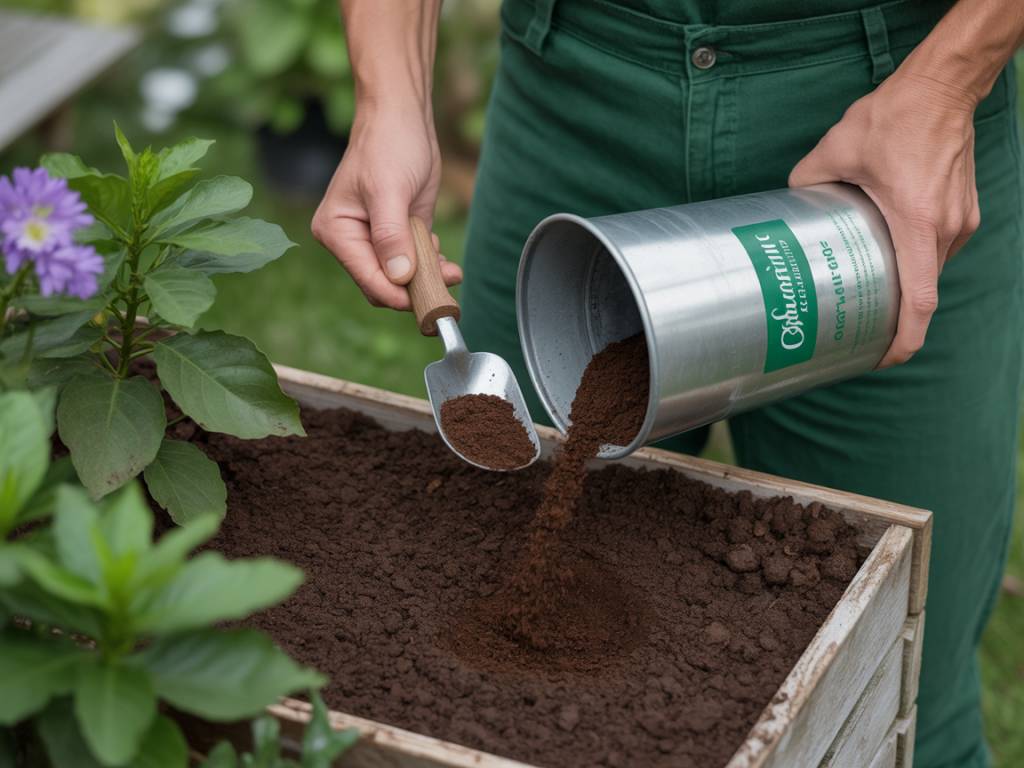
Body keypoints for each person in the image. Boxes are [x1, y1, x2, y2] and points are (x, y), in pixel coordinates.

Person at [313, 1, 1024, 765]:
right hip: (578, 88)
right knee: (486, 574)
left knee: (896, 701)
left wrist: (949, 83)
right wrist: (389, 96)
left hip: (880, 125)